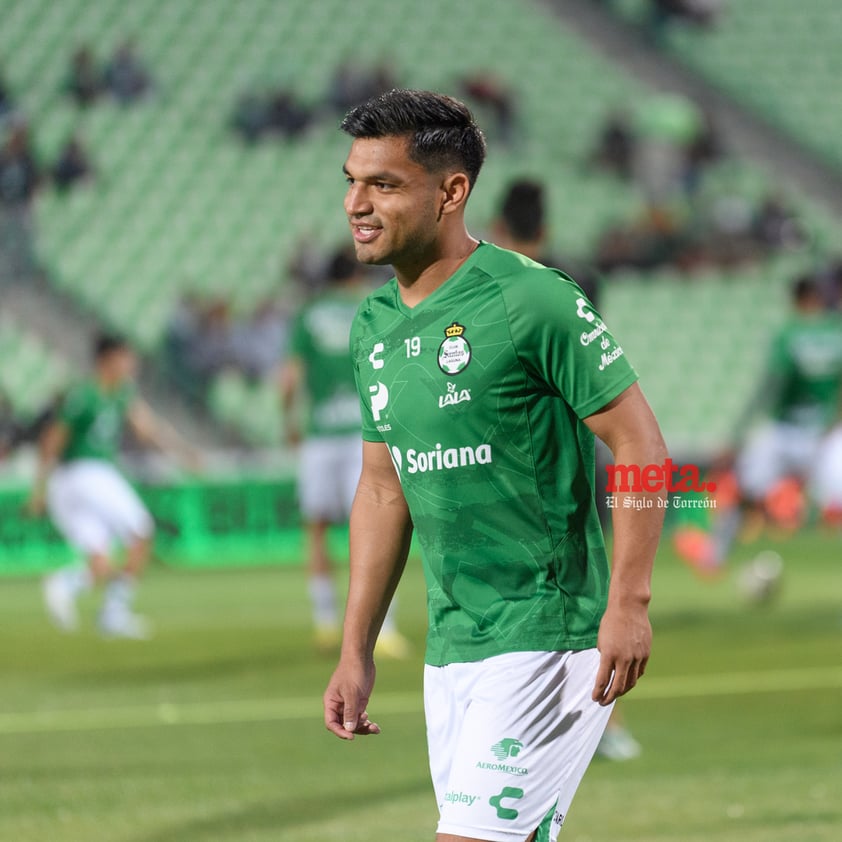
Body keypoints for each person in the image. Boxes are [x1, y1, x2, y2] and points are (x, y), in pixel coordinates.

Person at [323, 89, 667, 841]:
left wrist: (629, 603)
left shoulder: (531, 299)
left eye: (383, 184)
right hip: (453, 647)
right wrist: (356, 652)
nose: (357, 203)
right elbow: (383, 492)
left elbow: (641, 443)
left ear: (452, 192)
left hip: (547, 633)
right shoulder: (374, 326)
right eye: (352, 181)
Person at [281, 249, 409, 657]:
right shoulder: (370, 308)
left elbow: (289, 379)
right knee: (375, 525)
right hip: (364, 432)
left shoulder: (307, 315)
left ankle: (324, 621)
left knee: (316, 528)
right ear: (355, 276)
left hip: (321, 435)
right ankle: (383, 630)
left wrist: (290, 422)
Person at [30, 334, 198, 638]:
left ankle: (67, 583)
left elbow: (146, 429)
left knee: (99, 561)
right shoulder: (85, 396)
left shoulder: (119, 393)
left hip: (74, 481)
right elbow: (52, 441)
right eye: (126, 357)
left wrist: (181, 452)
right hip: (86, 472)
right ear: (107, 359)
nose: (132, 364)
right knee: (141, 532)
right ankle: (113, 615)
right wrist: (38, 488)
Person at [676, 276, 842, 577]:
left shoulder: (788, 334)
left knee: (740, 490)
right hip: (826, 435)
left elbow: (768, 388)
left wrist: (735, 436)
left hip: (784, 431)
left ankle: (713, 557)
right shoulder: (837, 332)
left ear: (796, 300)